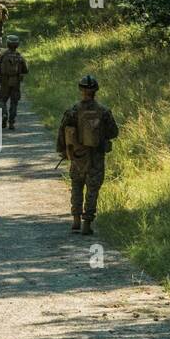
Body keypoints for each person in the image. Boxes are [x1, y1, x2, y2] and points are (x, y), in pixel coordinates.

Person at [56, 75, 119, 235]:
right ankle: (87, 223)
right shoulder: (104, 111)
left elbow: (63, 132)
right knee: (93, 189)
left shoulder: (73, 111)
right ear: (95, 92)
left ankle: (76, 220)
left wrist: (63, 150)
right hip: (96, 156)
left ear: (81, 90)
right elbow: (114, 132)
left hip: (77, 155)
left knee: (77, 186)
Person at [0, 35, 28, 129]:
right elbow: (26, 70)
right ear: (17, 45)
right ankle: (12, 122)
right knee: (14, 102)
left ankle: (4, 114)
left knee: (2, 100)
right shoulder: (19, 56)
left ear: (8, 44)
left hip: (4, 81)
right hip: (16, 81)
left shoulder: (3, 55)